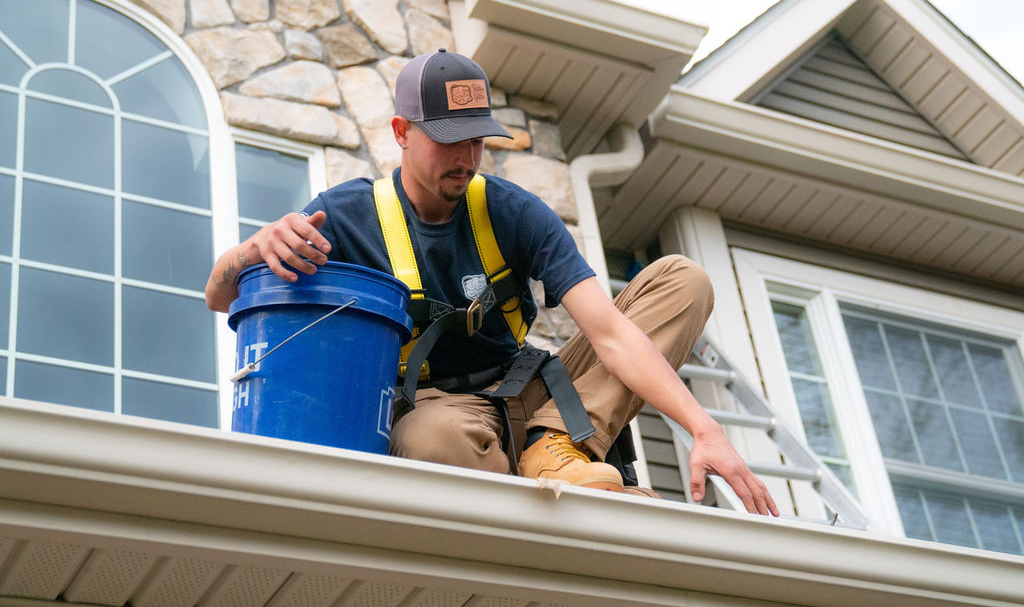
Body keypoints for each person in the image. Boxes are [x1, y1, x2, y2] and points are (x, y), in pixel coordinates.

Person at [206, 49, 778, 516]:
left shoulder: (513, 212)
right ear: (401, 132)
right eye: (448, 138)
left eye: (476, 138)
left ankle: (554, 448)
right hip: (439, 415)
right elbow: (220, 296)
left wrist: (704, 429)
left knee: (683, 279)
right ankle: (529, 487)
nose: (466, 155)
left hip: (534, 395)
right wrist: (253, 249)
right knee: (428, 440)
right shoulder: (346, 216)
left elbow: (609, 334)